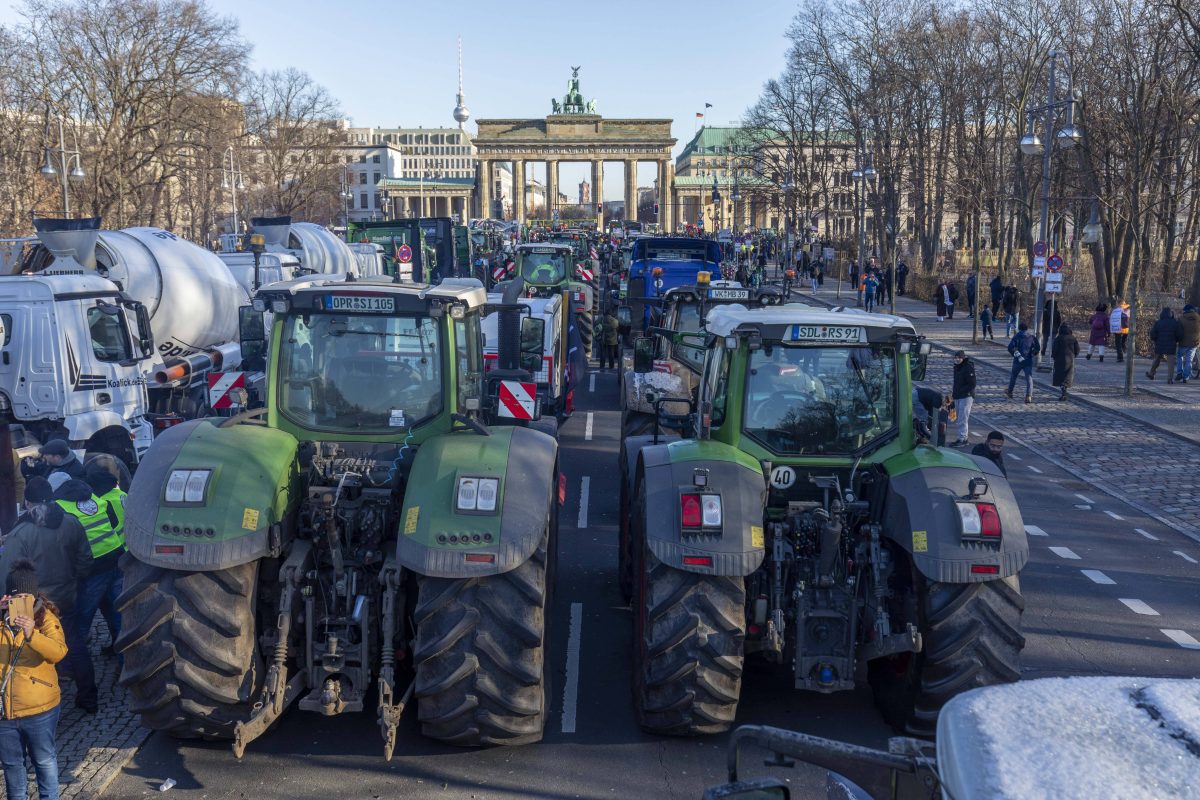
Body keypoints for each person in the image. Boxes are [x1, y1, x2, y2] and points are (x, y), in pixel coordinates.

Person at [0, 559, 68, 800]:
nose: (20, 604)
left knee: (44, 762)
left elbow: (59, 652)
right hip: (5, 712)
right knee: (12, 767)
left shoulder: (46, 618)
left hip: (40, 710)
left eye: (25, 598)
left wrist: (32, 634)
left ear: (34, 596)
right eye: (14, 597)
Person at [58, 473, 124, 713]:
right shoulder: (97, 499)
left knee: (79, 625)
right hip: (115, 560)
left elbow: (65, 544)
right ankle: (126, 665)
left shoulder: (62, 508)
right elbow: (114, 523)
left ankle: (68, 668)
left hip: (93, 571)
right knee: (118, 615)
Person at [1005, 321, 1039, 403]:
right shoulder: (1031, 337)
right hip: (1028, 361)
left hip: (1018, 361)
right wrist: (1033, 353)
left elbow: (1010, 347)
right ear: (1027, 329)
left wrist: (1015, 354)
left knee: (1013, 376)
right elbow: (1037, 348)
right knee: (1029, 378)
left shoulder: (1017, 336)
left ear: (1019, 329)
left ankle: (1010, 392)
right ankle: (1028, 396)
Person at [1146, 308, 1180, 383]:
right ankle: (1169, 379)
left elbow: (1152, 334)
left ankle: (1151, 373)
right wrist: (1176, 340)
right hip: (1171, 344)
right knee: (1171, 362)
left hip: (1160, 344)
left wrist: (1156, 340)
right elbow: (1179, 334)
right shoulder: (1175, 322)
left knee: (1157, 359)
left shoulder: (1158, 322)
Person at [950, 350, 976, 446]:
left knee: (962, 418)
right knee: (959, 418)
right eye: (955, 357)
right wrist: (954, 395)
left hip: (966, 396)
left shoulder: (968, 367)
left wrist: (962, 392)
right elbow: (956, 383)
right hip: (958, 396)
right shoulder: (957, 367)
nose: (957, 359)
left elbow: (972, 384)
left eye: (959, 358)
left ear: (963, 358)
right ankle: (963, 437)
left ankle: (962, 439)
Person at [1051, 322, 1079, 401]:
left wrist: (1054, 356)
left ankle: (1063, 392)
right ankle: (1065, 390)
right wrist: (1074, 355)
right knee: (1067, 376)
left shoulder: (1058, 338)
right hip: (1070, 359)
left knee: (1060, 376)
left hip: (1059, 359)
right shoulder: (1073, 338)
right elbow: (1077, 349)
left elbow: (1054, 349)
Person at [1175, 304, 1199, 384]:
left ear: (1185, 310)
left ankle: (1179, 373)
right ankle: (1186, 377)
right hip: (1194, 343)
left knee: (1179, 356)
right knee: (1189, 360)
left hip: (1183, 343)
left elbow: (1177, 330)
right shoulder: (1198, 318)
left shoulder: (1181, 318)